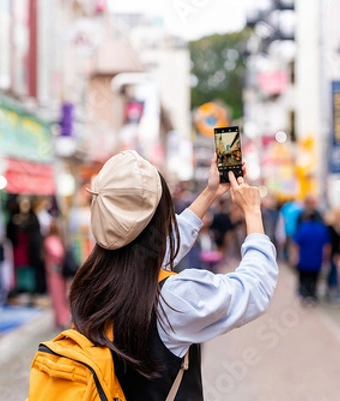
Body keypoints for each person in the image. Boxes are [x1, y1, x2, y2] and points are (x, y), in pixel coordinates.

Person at [69, 150, 277, 400]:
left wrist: (210, 192)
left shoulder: (92, 280)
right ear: (160, 216)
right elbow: (255, 288)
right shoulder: (173, 298)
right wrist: (253, 212)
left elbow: (153, 249)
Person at [293, 210, 331, 305]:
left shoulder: (303, 228)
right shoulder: (321, 229)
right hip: (316, 260)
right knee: (314, 279)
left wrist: (295, 257)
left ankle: (304, 295)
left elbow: (296, 244)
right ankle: (312, 295)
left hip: (304, 260)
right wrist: (326, 258)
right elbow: (327, 246)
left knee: (304, 278)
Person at [43, 218, 71, 330]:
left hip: (54, 272)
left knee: (58, 296)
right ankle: (62, 318)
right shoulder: (55, 239)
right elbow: (58, 252)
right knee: (59, 295)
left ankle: (61, 318)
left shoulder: (49, 239)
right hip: (56, 271)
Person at [325, 209, 340, 302]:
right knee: (333, 272)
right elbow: (330, 242)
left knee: (338, 273)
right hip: (334, 253)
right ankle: (331, 291)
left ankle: (334, 291)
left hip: (339, 252)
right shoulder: (331, 228)